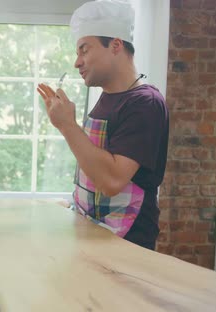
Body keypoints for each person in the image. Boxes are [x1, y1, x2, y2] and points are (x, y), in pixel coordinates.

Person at [37, 0, 169, 250]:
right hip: (96, 237)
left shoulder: (145, 103)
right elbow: (94, 166)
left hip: (126, 246)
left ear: (116, 45)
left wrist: (67, 125)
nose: (77, 62)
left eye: (84, 50)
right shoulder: (107, 98)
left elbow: (111, 182)